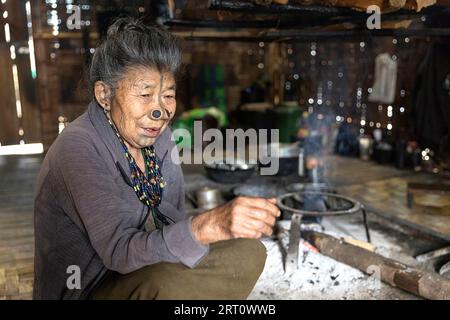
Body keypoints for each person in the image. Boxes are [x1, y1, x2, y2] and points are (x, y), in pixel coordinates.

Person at [33, 17, 280, 300]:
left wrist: (212, 229)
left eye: (167, 95)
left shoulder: (158, 135)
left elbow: (173, 219)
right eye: (145, 94)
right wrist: (207, 226)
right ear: (104, 94)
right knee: (169, 286)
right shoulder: (77, 148)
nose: (159, 111)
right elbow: (119, 252)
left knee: (247, 252)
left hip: (142, 267)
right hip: (89, 288)